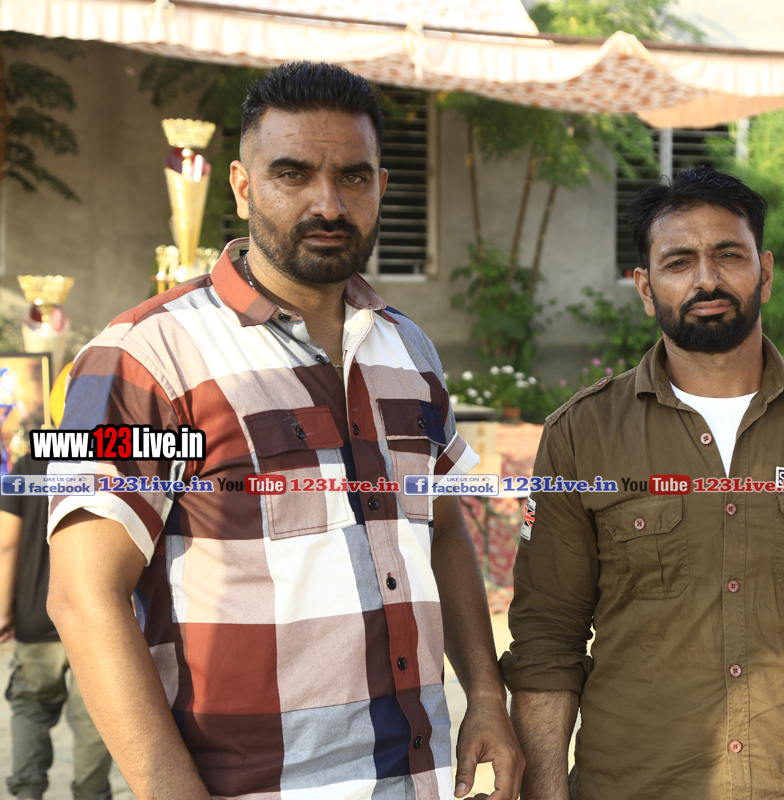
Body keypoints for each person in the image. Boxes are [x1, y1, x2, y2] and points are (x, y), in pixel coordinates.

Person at [45, 62, 521, 800]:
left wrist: (485, 696)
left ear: (381, 186)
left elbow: (445, 529)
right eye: (293, 174)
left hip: (416, 780)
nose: (327, 204)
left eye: (352, 177)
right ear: (241, 186)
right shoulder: (141, 358)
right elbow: (83, 597)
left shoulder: (409, 350)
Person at [500, 167, 784, 800]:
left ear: (764, 272)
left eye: (728, 255)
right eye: (678, 261)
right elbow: (548, 640)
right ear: (646, 287)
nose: (706, 279)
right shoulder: (582, 436)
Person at [1, 454, 113, 800]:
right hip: (95, 619)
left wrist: (3, 610)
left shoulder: (27, 467)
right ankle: (92, 794)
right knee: (95, 715)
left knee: (30, 708)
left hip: (36, 616)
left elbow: (6, 544)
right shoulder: (110, 463)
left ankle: (27, 791)